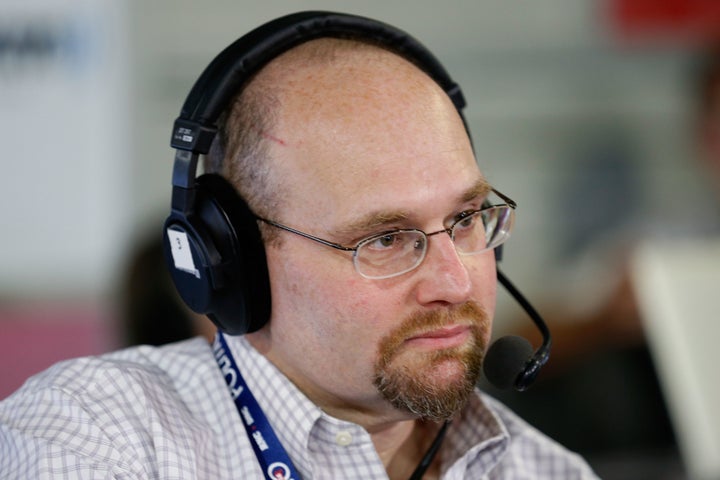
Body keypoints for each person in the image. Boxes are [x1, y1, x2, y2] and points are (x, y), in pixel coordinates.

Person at [0, 12, 598, 479]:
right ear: (234, 261)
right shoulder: (94, 435)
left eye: (466, 218)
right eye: (387, 239)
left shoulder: (546, 470)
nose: (456, 282)